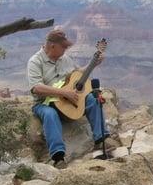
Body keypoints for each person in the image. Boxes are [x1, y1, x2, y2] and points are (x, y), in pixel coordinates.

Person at [27, 29, 111, 169]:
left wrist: (94, 62)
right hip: (44, 103)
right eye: (63, 46)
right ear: (52, 46)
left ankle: (101, 139)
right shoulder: (35, 61)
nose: (66, 49)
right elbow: (36, 88)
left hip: (67, 101)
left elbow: (77, 75)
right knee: (50, 114)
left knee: (92, 99)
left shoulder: (64, 58)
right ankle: (58, 157)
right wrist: (63, 92)